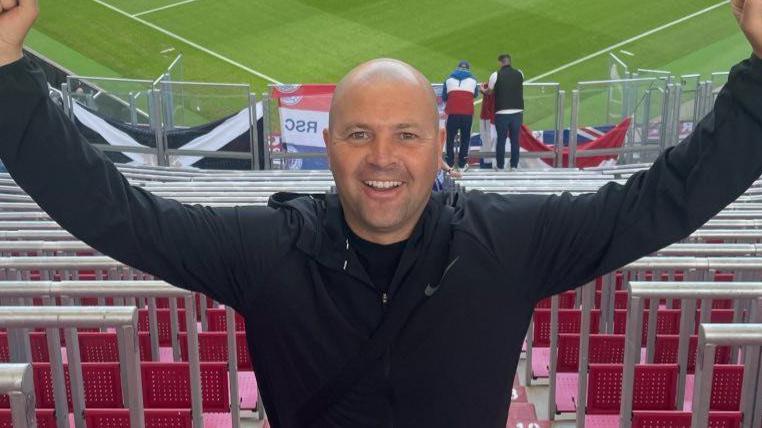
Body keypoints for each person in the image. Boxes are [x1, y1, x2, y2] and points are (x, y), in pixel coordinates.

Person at [1, 1, 762, 426]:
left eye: (406, 135)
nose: (382, 158)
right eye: (360, 134)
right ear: (326, 147)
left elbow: (669, 199)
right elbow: (114, 213)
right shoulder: (264, 249)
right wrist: (5, 70)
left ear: (441, 146)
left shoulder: (514, 241)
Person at [487, 54, 524, 170]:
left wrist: (483, 90)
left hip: (502, 112)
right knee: (515, 140)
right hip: (517, 112)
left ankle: (500, 166)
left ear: (500, 62)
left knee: (501, 140)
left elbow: (489, 91)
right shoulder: (520, 73)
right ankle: (514, 166)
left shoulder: (495, 75)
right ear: (510, 61)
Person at [441, 60, 479, 171]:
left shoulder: (448, 80)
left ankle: (450, 163)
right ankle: (462, 164)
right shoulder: (473, 80)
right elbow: (475, 94)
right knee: (465, 138)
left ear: (457, 69)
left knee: (450, 139)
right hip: (467, 113)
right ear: (468, 69)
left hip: (452, 113)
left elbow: (444, 97)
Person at [479, 81, 496, 168]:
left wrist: (482, 88)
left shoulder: (488, 85)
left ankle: (487, 164)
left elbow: (483, 90)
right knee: (488, 140)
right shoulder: (501, 85)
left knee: (486, 140)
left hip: (487, 117)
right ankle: (487, 163)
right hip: (489, 117)